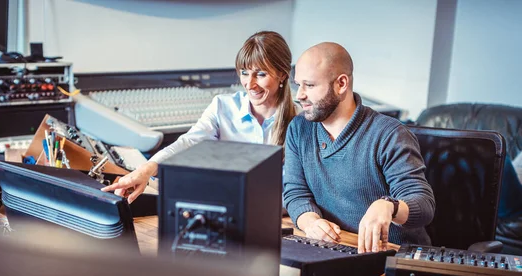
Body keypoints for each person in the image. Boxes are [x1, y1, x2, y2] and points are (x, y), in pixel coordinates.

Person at [102, 31, 297, 202]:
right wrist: (145, 171)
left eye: (261, 74)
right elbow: (188, 143)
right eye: (244, 73)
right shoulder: (223, 106)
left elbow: (296, 191)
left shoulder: (300, 120)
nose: (249, 83)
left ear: (282, 74)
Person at [283, 42, 435, 253]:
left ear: (341, 84)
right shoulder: (299, 129)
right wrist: (311, 222)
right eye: (298, 84)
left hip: (393, 256)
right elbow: (295, 192)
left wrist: (388, 206)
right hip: (334, 250)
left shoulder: (389, 134)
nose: (299, 95)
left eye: (309, 85)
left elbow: (424, 204)